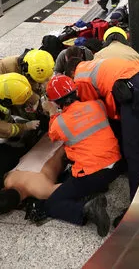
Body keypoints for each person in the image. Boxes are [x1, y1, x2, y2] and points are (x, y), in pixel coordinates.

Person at [41, 75, 118, 235]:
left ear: (55, 101)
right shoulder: (97, 105)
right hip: (115, 166)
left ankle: (87, 210)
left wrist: (52, 112)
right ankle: (97, 189)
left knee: (52, 204)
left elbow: (52, 135)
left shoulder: (59, 123)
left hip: (92, 174)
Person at [73, 58, 139, 204]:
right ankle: (125, 165)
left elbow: (93, 107)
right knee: (121, 127)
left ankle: (138, 203)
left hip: (132, 90)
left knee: (133, 148)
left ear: (70, 73)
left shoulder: (80, 79)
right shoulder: (90, 64)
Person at [0, 49, 55, 114]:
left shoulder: (39, 66)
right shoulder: (6, 68)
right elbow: (16, 90)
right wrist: (35, 99)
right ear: (26, 71)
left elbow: (40, 80)